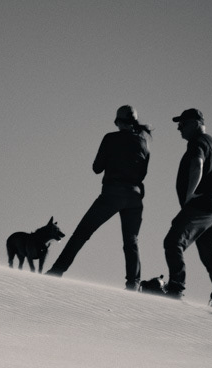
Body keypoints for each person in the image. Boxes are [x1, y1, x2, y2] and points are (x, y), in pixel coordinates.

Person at [46, 105, 151, 288]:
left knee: (82, 233)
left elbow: (97, 168)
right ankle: (133, 283)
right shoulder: (143, 142)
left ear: (118, 121)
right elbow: (143, 173)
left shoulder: (111, 138)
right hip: (135, 198)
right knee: (131, 242)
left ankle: (57, 271)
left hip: (113, 193)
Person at [161, 108, 212, 307]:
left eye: (183, 123)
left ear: (196, 123)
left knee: (173, 242)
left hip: (201, 207)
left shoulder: (197, 143)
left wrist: (190, 194)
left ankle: (175, 288)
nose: (179, 128)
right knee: (210, 255)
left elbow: (198, 164)